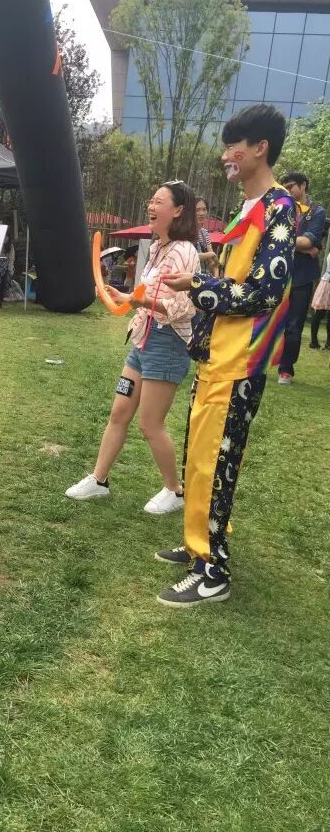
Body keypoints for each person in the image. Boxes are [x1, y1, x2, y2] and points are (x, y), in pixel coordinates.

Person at [158, 104, 296, 607]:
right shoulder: (248, 207)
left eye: (234, 146)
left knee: (217, 461)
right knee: (201, 454)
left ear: (260, 148)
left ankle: (213, 570)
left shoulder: (280, 209)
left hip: (241, 361)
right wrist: (207, 278)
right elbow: (236, 276)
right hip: (217, 354)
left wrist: (198, 287)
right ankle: (199, 541)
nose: (226, 156)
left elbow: (264, 293)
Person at [65, 181, 200, 514]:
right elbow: (145, 297)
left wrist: (138, 300)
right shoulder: (156, 248)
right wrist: (122, 297)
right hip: (143, 339)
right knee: (119, 413)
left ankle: (175, 491)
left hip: (167, 343)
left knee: (149, 424)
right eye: (150, 201)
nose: (151, 207)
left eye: (159, 202)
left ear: (178, 211)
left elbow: (183, 308)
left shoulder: (184, 251)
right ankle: (99, 480)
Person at [277, 172, 326, 384]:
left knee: (294, 324)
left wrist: (285, 240)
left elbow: (308, 241)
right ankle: (258, 362)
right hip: (277, 272)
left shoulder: (317, 211)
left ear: (303, 185)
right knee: (266, 319)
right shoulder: (281, 207)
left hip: (302, 276)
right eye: (285, 187)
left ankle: (286, 369)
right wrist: (304, 247)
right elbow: (268, 235)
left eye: (291, 186)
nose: (287, 191)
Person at [310, 252, 330, 349]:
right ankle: (314, 341)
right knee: (319, 314)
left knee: (321, 315)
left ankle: (327, 343)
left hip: (326, 282)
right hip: (327, 284)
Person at [195, 197, 219, 276]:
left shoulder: (204, 233)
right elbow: (190, 256)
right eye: (197, 210)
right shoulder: (187, 232)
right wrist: (211, 254)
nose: (201, 213)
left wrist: (216, 276)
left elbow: (211, 261)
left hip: (204, 277)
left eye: (204, 209)